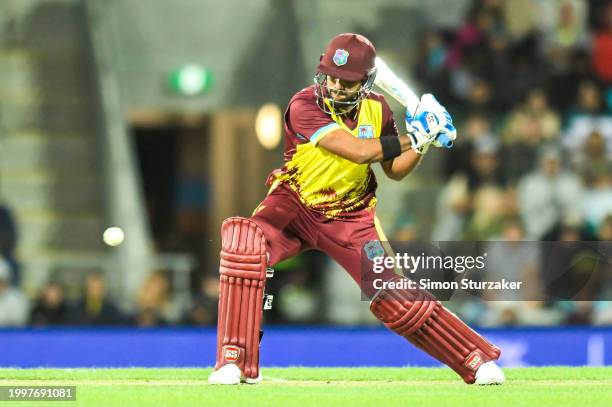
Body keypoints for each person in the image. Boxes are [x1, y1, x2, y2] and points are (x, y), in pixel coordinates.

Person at [208, 33, 504, 385]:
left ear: (365, 82)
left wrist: (423, 142)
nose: (334, 86)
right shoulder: (304, 105)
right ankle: (235, 361)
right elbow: (358, 151)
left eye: (345, 81)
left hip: (351, 217)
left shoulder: (377, 109)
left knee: (393, 296)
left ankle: (475, 359)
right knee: (245, 243)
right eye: (330, 77)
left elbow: (394, 170)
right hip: (294, 205)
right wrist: (417, 133)